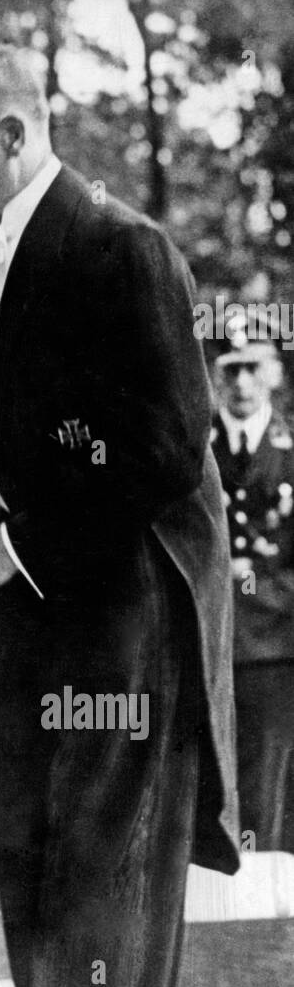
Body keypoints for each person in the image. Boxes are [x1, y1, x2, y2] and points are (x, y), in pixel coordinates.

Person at [0, 44, 240, 987]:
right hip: (39, 633)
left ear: (10, 133)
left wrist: (19, 547)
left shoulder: (120, 248)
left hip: (125, 635)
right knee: (42, 912)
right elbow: (9, 419)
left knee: (103, 928)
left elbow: (168, 450)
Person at [210, 309, 294, 852]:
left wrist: (261, 590)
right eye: (231, 368)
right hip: (203, 642)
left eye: (254, 368)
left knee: (268, 792)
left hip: (276, 645)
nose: (242, 382)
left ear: (276, 374)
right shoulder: (190, 452)